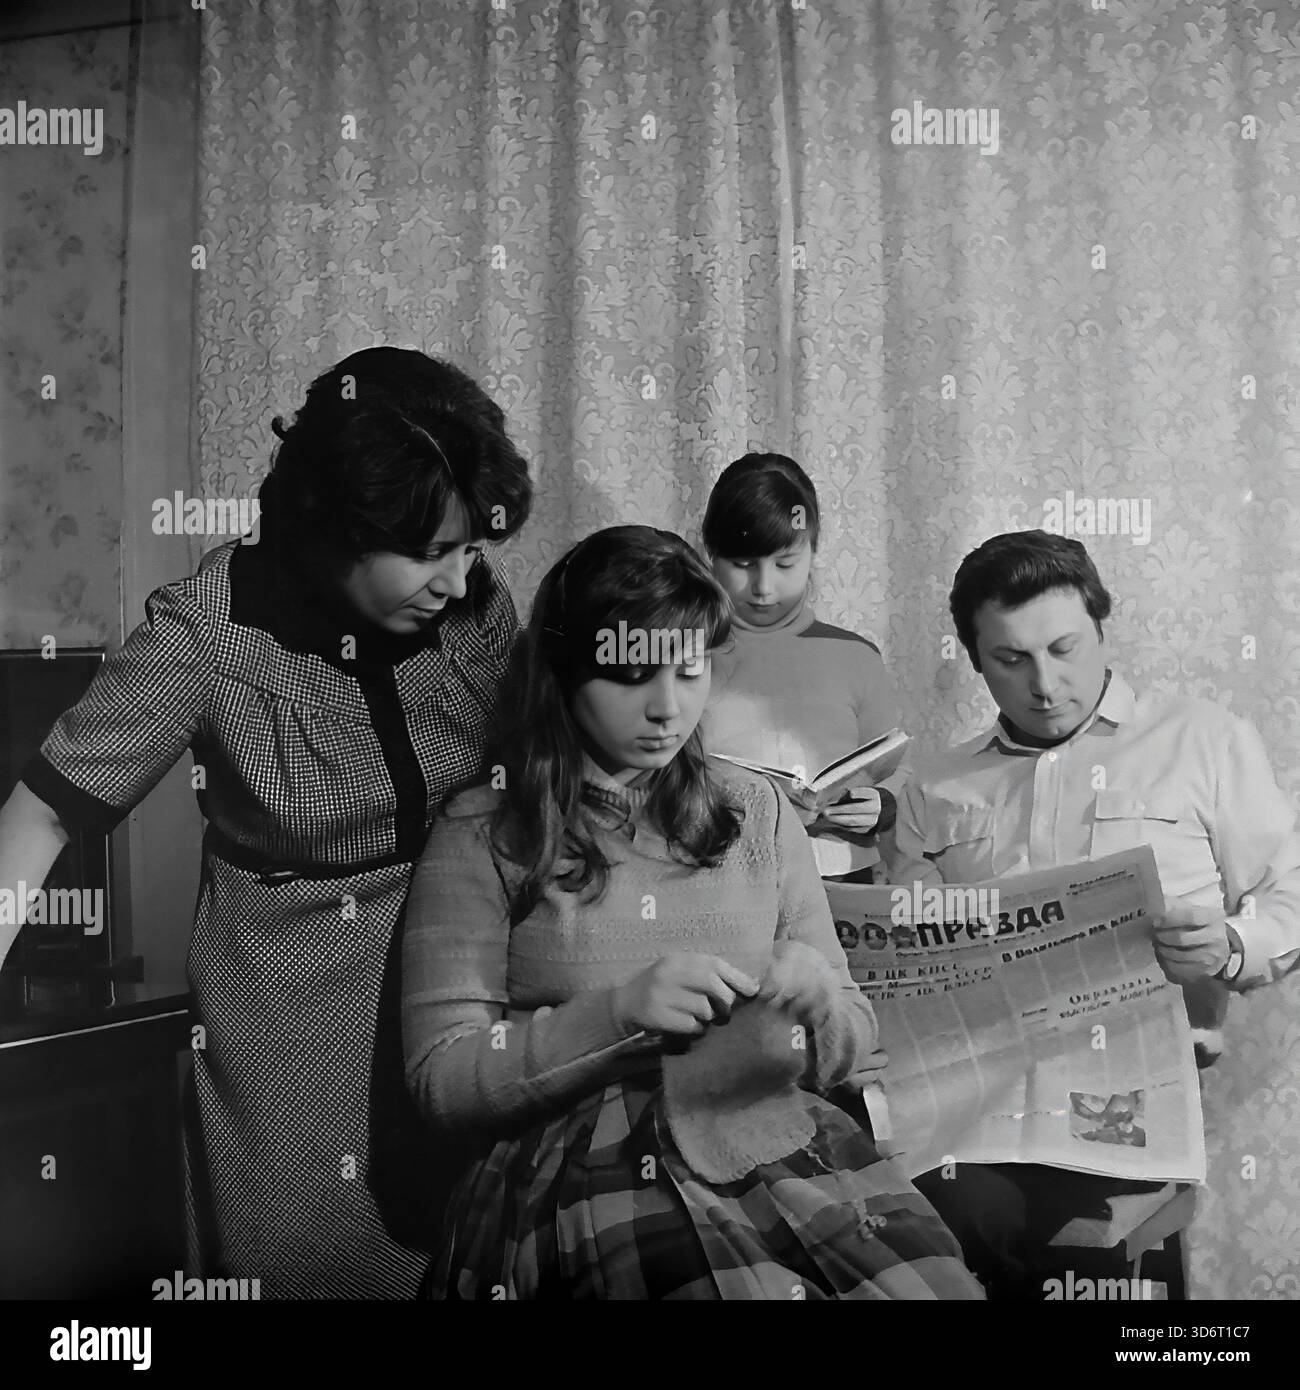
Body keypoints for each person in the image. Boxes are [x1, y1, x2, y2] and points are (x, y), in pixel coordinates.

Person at [0, 347, 533, 1298]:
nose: (458, 580)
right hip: (295, 1029)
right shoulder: (209, 632)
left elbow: (543, 771)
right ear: (334, 525)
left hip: (465, 995)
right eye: (427, 552)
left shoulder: (474, 608)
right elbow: (43, 812)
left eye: (470, 549)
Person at [401, 525, 983, 1300]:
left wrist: (815, 1003)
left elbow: (850, 1039)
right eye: (632, 675)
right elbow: (444, 1083)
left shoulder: (760, 813)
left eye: (690, 669)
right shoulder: (487, 829)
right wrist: (616, 1015)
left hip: (768, 1131)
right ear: (566, 673)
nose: (667, 709)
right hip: (581, 1161)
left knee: (934, 1289)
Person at [886, 528, 1300, 1298]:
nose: (1045, 683)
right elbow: (909, 959)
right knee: (912, 1223)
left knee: (1074, 1249)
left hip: (1132, 1097)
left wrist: (1232, 943)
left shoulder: (1202, 740)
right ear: (976, 663)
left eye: (1065, 648)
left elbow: (1289, 893)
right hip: (976, 1102)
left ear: (1103, 630)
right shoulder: (938, 786)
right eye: (1011, 660)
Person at [699, 454, 906, 881]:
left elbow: (897, 767)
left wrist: (883, 803)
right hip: (721, 877)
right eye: (741, 565)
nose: (763, 587)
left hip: (841, 877)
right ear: (710, 554)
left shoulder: (855, 656)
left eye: (785, 563)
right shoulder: (685, 658)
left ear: (813, 550)